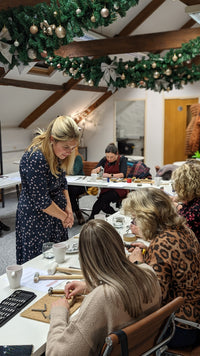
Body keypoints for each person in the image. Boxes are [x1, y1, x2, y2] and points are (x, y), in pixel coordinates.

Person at [46, 219, 161, 356]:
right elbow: (126, 285)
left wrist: (59, 314)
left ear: (85, 258)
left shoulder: (102, 298)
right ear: (119, 244)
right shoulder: (148, 272)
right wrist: (91, 286)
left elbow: (58, 354)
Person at [122, 188, 200, 349]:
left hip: (181, 327)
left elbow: (151, 298)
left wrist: (138, 263)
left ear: (148, 219)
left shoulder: (162, 244)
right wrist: (147, 250)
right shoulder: (183, 229)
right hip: (194, 316)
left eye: (136, 220)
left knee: (115, 326)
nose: (134, 224)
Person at [16, 115, 81, 264]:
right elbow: (42, 201)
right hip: (36, 218)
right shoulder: (36, 157)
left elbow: (62, 183)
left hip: (56, 214)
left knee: (58, 259)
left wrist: (68, 209)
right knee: (38, 263)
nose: (69, 152)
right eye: (66, 147)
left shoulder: (57, 154)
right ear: (52, 139)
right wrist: (65, 216)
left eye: (73, 148)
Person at [88, 143, 128, 219]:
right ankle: (116, 215)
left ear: (116, 154)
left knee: (102, 200)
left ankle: (91, 219)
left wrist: (110, 175)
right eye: (107, 156)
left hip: (119, 188)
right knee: (103, 205)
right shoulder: (104, 160)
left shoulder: (122, 159)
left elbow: (123, 174)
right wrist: (96, 170)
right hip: (106, 187)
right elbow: (93, 171)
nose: (109, 159)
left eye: (111, 157)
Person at [171, 161, 200, 243]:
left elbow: (176, 240)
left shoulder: (194, 211)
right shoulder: (193, 201)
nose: (175, 188)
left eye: (176, 184)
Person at [68, 147, 86, 225]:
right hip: (69, 184)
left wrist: (65, 171)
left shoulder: (77, 158)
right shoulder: (65, 158)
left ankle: (77, 213)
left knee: (69, 192)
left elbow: (74, 171)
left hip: (79, 185)